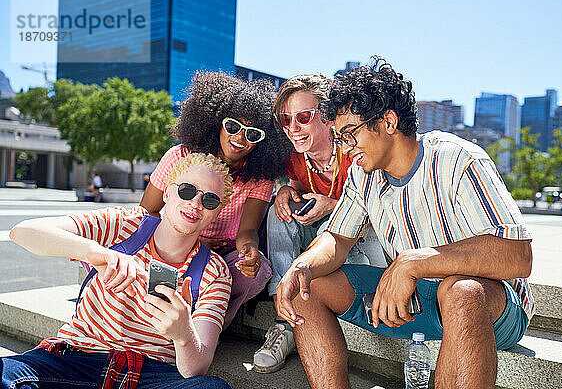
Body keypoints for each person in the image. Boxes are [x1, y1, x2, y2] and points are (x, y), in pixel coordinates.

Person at [276, 57, 535, 389]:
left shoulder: (457, 159)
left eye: (350, 134)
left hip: (490, 307)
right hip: (412, 300)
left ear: (388, 121)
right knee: (306, 289)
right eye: (340, 138)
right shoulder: (361, 174)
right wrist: (302, 265)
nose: (346, 148)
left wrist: (413, 263)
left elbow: (518, 256)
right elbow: (337, 239)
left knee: (461, 291)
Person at [5, 153, 234, 388]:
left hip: (151, 375)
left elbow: (195, 369)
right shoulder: (125, 224)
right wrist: (96, 252)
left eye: (210, 200)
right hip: (77, 358)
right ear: (166, 192)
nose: (195, 204)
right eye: (187, 190)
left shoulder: (215, 273)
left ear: (217, 212)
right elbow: (23, 232)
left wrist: (183, 334)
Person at [253, 73, 387, 373]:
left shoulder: (357, 153)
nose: (292, 128)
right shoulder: (295, 158)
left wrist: (334, 205)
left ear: (328, 118)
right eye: (285, 120)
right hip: (322, 246)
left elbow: (382, 216)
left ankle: (316, 306)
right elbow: (298, 183)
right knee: (280, 210)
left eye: (302, 117)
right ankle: (284, 315)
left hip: (364, 247)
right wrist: (289, 191)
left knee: (337, 227)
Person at [140, 71, 291, 329]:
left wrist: (248, 251)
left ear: (263, 142)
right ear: (216, 122)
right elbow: (145, 214)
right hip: (173, 248)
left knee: (258, 273)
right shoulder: (180, 156)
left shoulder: (261, 177)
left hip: (221, 256)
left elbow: (247, 230)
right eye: (233, 126)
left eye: (253, 134)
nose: (240, 138)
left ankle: (208, 326)